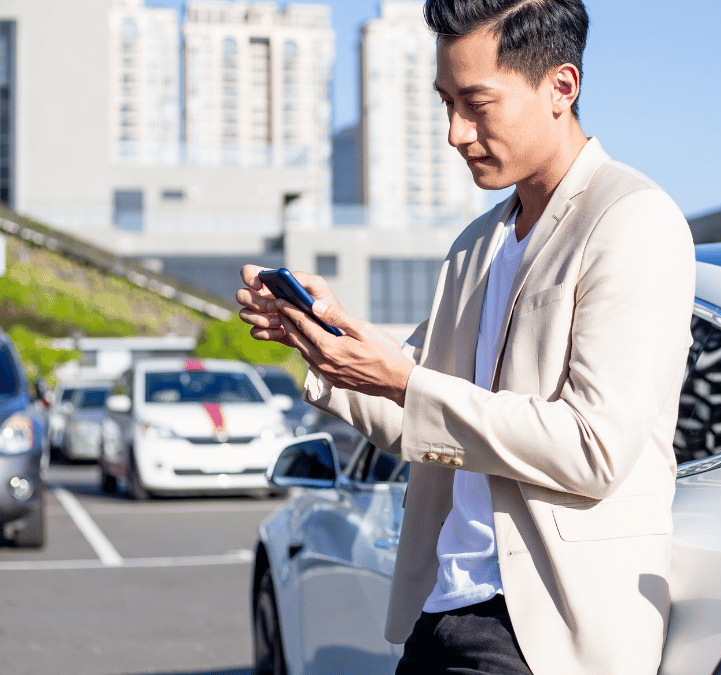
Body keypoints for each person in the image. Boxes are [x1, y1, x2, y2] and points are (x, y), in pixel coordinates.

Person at [237, 0, 695, 673]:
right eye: (446, 103)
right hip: (445, 606)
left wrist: (402, 376)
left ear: (561, 87)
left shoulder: (631, 220)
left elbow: (593, 447)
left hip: (546, 630)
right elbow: (420, 420)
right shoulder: (475, 244)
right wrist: (321, 343)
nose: (455, 132)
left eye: (477, 104)